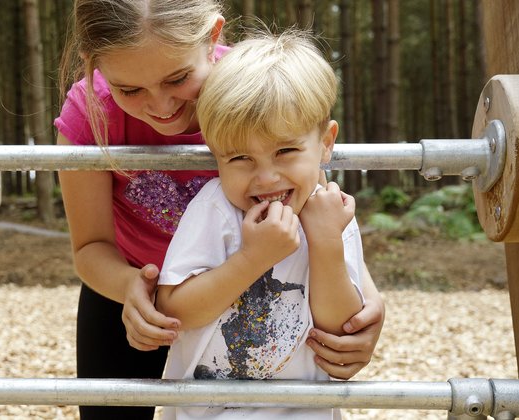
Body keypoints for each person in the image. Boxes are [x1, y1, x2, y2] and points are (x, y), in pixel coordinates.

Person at [54, 1, 385, 418]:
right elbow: (90, 247)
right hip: (131, 290)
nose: (160, 106)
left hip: (261, 283)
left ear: (213, 38)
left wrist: (368, 300)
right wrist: (136, 292)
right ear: (94, 61)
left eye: (177, 78)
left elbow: (309, 190)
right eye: (130, 90)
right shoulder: (91, 113)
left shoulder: (252, 87)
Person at [156, 30, 363, 419]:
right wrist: (254, 259)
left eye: (285, 151)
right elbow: (175, 311)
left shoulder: (329, 214)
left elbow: (338, 329)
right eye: (239, 158)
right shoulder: (216, 209)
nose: (266, 178)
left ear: (326, 142)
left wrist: (325, 241)